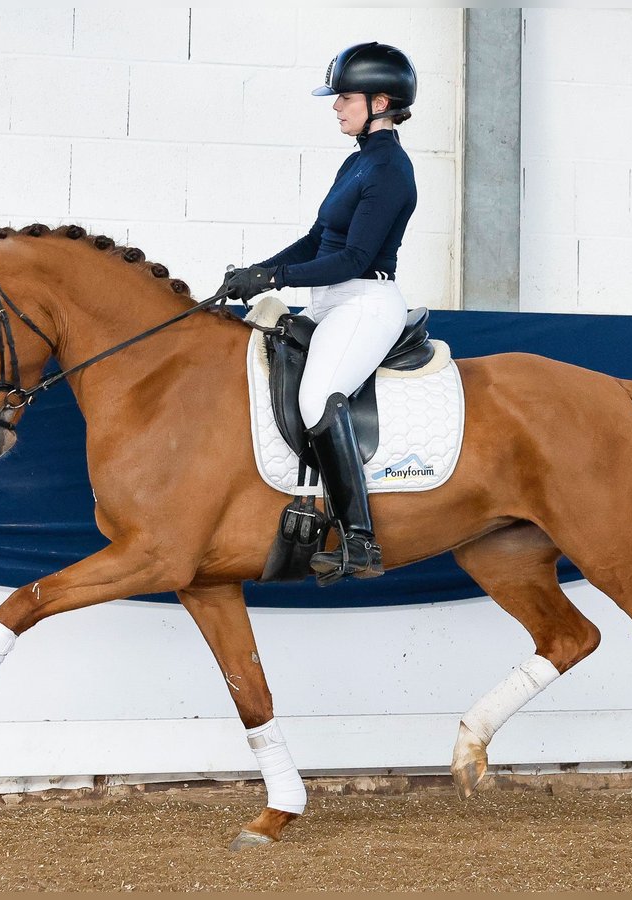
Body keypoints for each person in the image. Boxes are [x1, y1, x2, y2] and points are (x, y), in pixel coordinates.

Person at [223, 41, 418, 584]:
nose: (335, 107)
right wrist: (256, 271)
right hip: (329, 299)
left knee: (316, 398)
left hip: (364, 300)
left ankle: (360, 540)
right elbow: (317, 241)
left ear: (381, 101)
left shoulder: (391, 170)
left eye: (344, 98)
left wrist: (277, 279)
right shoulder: (356, 162)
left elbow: (352, 258)